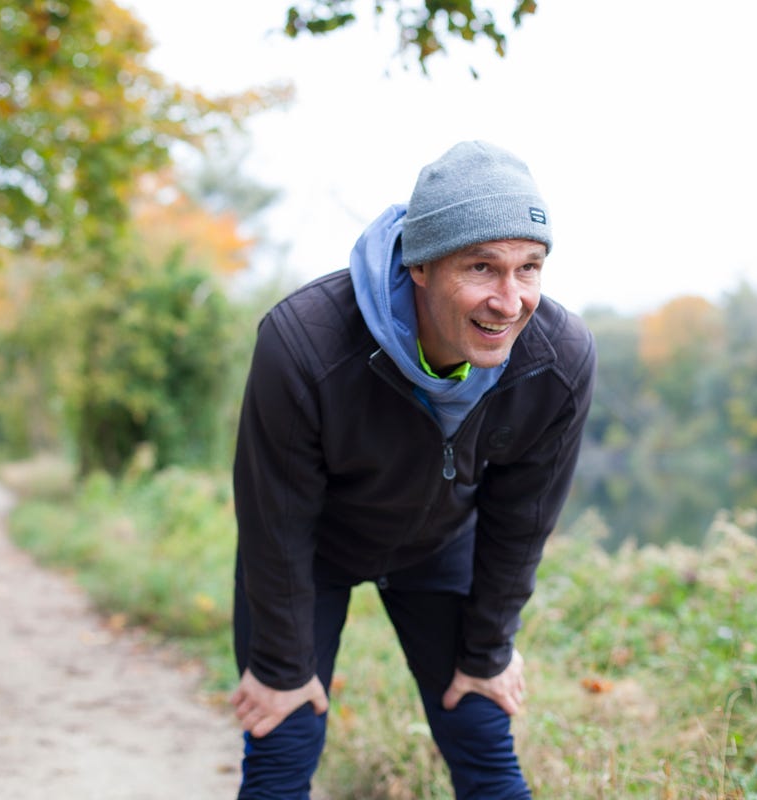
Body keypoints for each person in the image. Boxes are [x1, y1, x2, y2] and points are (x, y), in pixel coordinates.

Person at [229, 140, 596, 799]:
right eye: (482, 267)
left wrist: (487, 652)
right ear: (419, 265)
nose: (509, 301)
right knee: (283, 740)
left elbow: (522, 523)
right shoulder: (302, 345)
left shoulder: (557, 361)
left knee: (482, 732)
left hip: (440, 544)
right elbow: (274, 518)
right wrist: (282, 668)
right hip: (309, 554)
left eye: (529, 268)